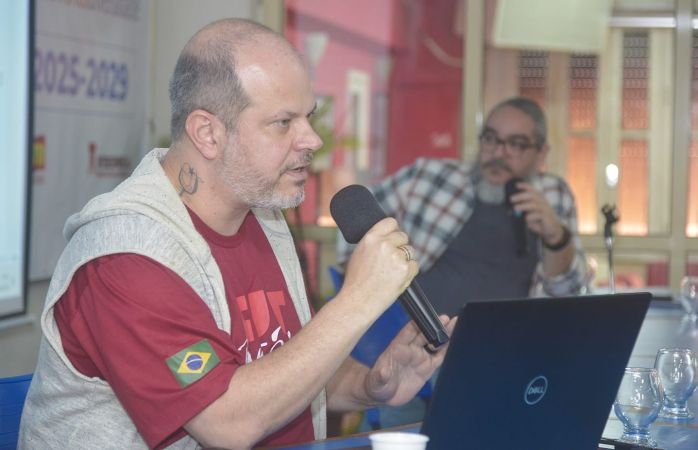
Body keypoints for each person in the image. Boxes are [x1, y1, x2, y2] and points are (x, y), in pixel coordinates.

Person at [19, 18, 455, 450]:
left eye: (308, 117)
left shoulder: (262, 216)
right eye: (283, 122)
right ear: (207, 133)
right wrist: (358, 298)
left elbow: (287, 367)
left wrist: (371, 384)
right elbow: (227, 422)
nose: (312, 140)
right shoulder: (126, 257)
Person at [336, 96, 588, 428]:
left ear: (541, 154)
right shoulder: (431, 177)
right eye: (491, 139)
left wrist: (555, 235)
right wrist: (369, 292)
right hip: (412, 342)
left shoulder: (553, 195)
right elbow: (356, 218)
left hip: (501, 356)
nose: (499, 153)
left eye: (516, 144)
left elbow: (567, 294)